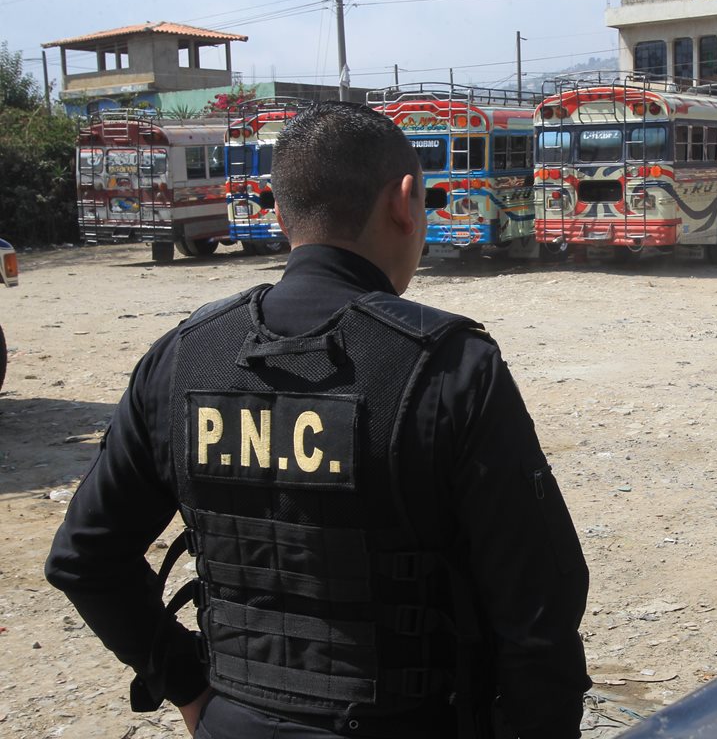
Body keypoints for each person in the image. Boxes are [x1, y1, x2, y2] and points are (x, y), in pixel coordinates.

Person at [45, 101, 591, 739]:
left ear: (280, 212)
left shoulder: (183, 359)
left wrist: (188, 685)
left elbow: (85, 558)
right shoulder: (449, 368)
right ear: (405, 201)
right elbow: (538, 614)